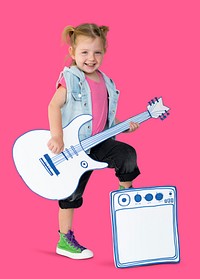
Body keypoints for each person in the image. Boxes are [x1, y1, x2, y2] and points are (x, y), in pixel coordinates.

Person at [47, 23, 140, 260]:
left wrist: (123, 125)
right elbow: (54, 106)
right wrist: (57, 136)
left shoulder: (107, 82)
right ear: (72, 53)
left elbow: (105, 115)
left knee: (127, 155)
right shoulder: (71, 78)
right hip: (75, 148)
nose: (91, 58)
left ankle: (125, 202)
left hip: (99, 141)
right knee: (71, 193)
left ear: (104, 52)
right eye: (85, 53)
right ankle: (64, 239)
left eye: (97, 52)